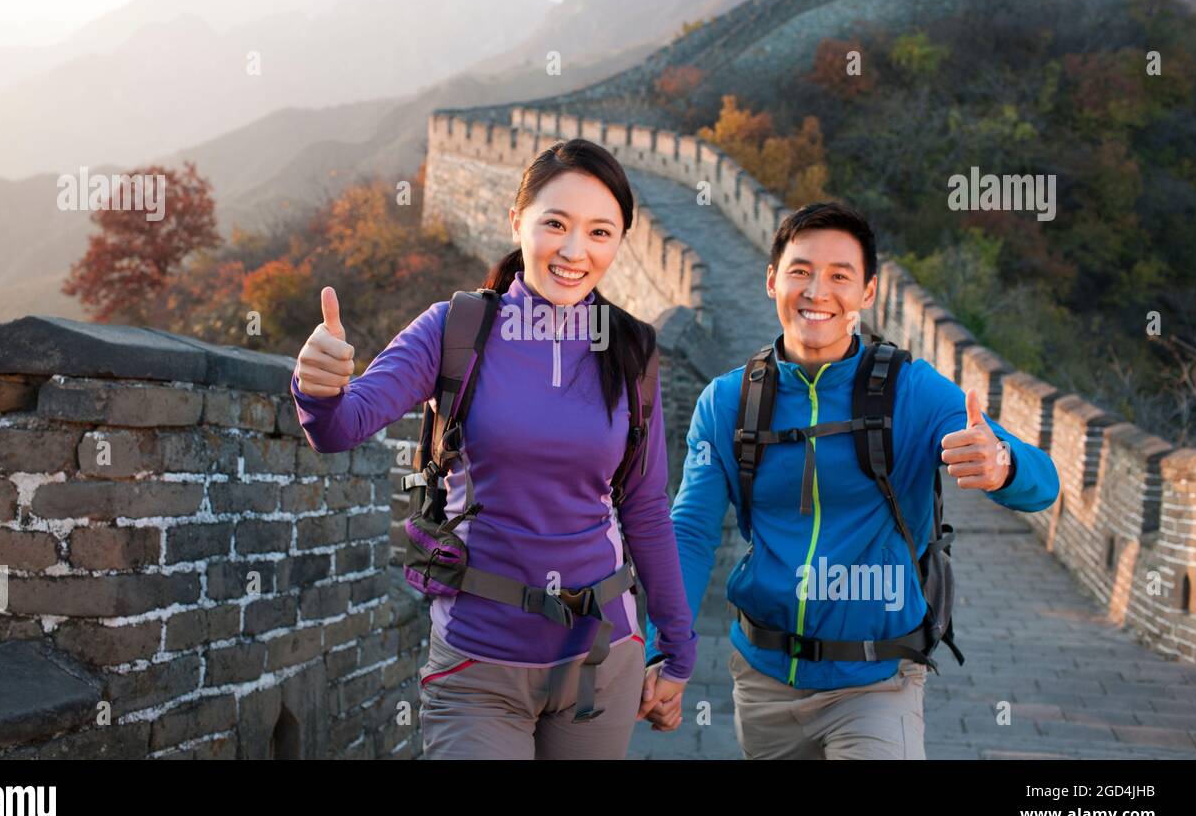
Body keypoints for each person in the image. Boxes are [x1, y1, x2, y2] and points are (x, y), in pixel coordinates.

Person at [291, 138, 697, 758]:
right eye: (555, 224)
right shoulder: (456, 329)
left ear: (619, 243)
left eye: (599, 232)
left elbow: (643, 506)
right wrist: (317, 388)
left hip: (602, 657)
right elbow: (341, 427)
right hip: (478, 663)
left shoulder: (631, 350)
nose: (573, 251)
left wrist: (678, 649)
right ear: (517, 219)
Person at [640, 201, 1060, 758]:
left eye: (840, 276)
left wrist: (1004, 463)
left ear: (867, 293)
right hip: (764, 682)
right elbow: (690, 532)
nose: (818, 291)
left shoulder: (911, 391)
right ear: (772, 281)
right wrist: (666, 651)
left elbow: (1045, 483)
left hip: (877, 681)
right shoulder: (728, 401)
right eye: (800, 271)